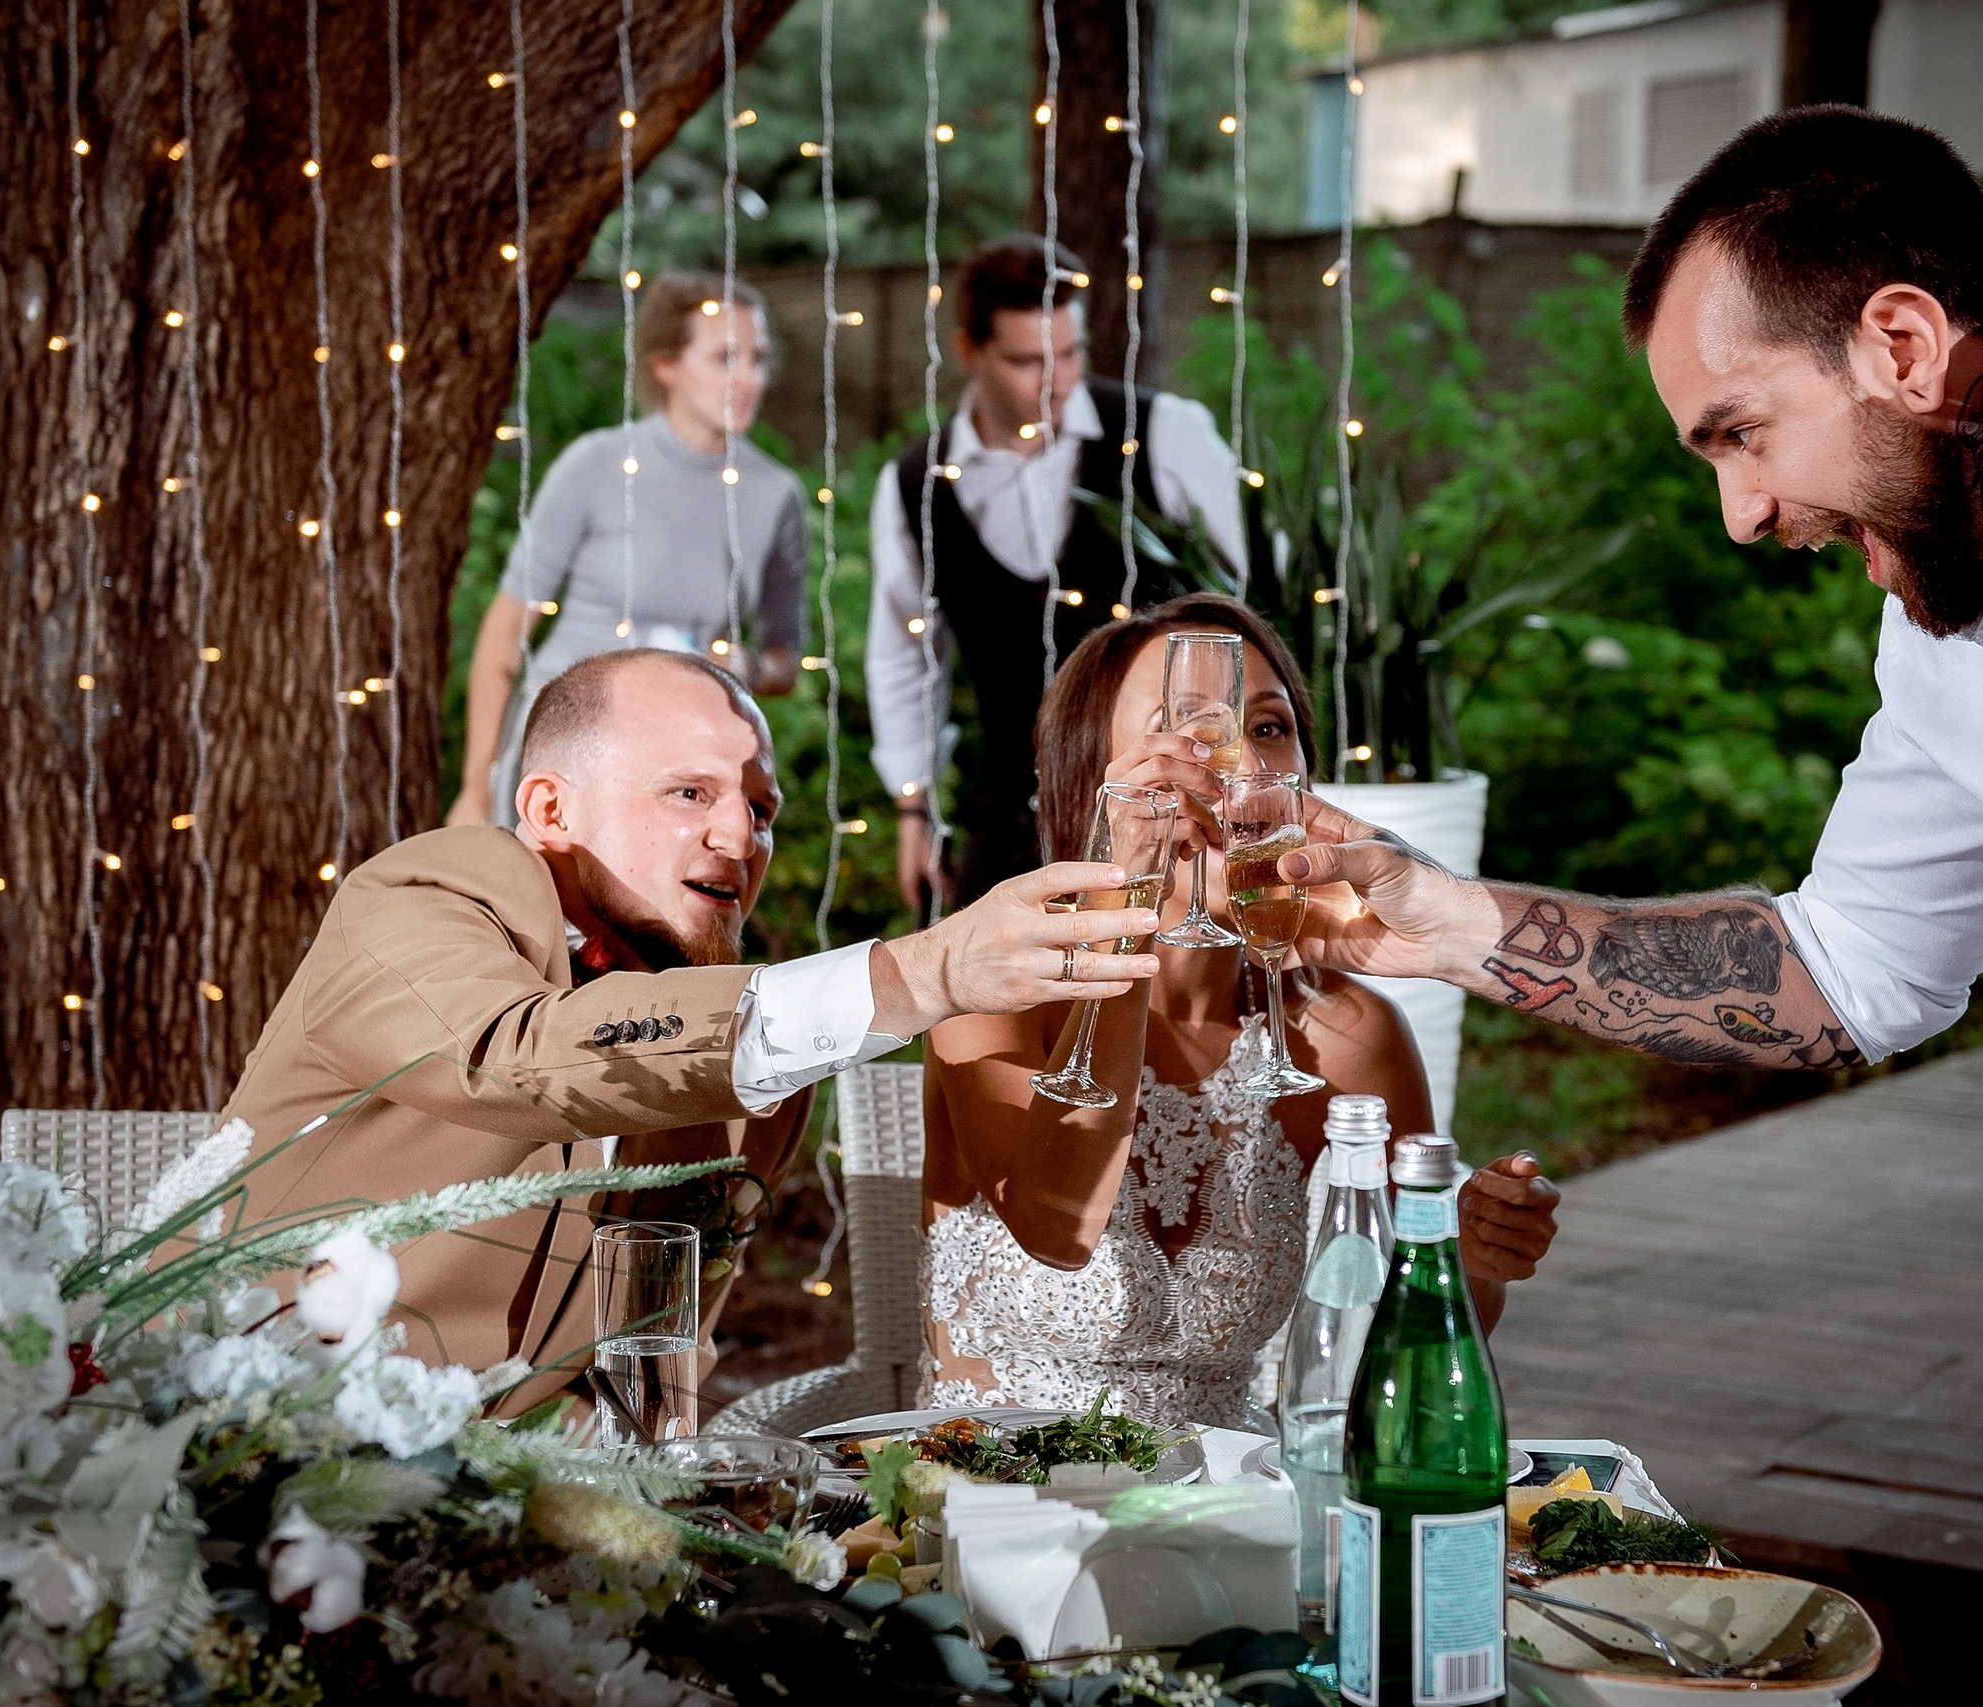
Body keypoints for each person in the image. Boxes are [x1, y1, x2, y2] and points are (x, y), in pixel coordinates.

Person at [1270, 107, 1983, 1691]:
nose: (1744, 515)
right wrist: (1440, 918)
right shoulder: (1945, 652)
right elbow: (1841, 971)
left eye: (1741, 434)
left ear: (1901, 343)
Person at [224, 648, 1162, 1418]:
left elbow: (652, 1367)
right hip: (238, 1449)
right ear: (550, 810)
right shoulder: (427, 891)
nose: (739, 838)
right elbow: (512, 1056)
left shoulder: (758, 1081)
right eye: (688, 793)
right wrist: (925, 973)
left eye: (760, 809)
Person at [919, 595, 1561, 1430]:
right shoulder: (990, 986)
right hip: (999, 1491)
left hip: (1236, 1493)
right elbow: (1054, 1225)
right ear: (1091, 783)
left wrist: (1473, 1256)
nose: (1241, 767)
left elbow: (1407, 1347)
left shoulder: (1343, 1036)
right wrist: (1131, 899)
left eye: (1267, 728)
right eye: (1184, 731)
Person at [867, 237, 1249, 914]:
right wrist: (913, 808)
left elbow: (1255, 603)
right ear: (969, 351)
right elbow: (904, 656)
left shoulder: (1163, 434)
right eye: (1028, 361)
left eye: (1071, 354)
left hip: (1170, 822)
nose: (1058, 381)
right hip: (1009, 820)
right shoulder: (916, 482)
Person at [448, 272, 809, 830]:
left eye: (757, 359)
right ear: (666, 364)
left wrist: (747, 666)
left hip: (676, 765)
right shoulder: (595, 465)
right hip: (562, 753)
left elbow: (787, 661)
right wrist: (478, 785)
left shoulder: (775, 495)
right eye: (724, 358)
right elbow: (507, 628)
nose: (747, 380)